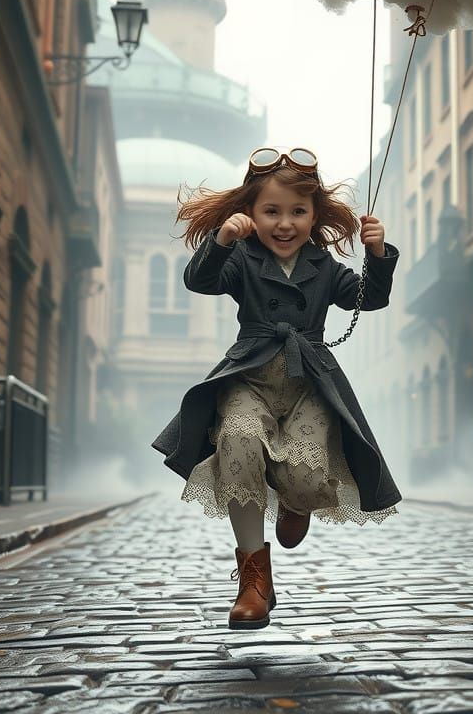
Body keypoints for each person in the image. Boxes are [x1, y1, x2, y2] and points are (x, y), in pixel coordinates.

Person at [150, 147, 402, 630]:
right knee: (237, 440)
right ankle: (254, 582)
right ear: (251, 212)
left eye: (297, 212)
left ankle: (293, 499)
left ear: (314, 216)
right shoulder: (242, 258)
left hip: (309, 383)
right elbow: (200, 281)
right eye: (271, 211)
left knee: (306, 480)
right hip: (249, 377)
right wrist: (222, 240)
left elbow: (368, 299)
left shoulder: (324, 267)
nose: (284, 224)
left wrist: (377, 254)